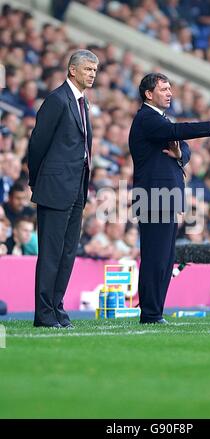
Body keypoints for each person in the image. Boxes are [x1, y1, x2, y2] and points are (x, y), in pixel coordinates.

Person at [129, 72, 210, 324]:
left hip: (166, 197)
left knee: (165, 258)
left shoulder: (160, 120)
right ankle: (150, 313)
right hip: (153, 198)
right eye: (164, 89)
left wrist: (180, 152)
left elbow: (184, 145)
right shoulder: (147, 118)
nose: (170, 93)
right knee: (155, 257)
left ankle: (155, 312)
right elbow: (176, 130)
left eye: (170, 88)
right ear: (149, 94)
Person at [28, 49, 99, 328]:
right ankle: (44, 313)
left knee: (68, 252)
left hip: (77, 189)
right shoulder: (57, 100)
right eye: (88, 69)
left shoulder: (83, 102)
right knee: (51, 252)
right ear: (72, 70)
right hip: (55, 187)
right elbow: (37, 144)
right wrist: (38, 180)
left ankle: (57, 309)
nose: (92, 74)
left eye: (95, 70)